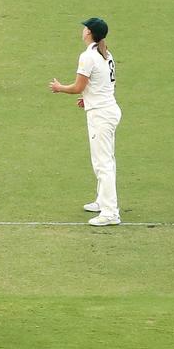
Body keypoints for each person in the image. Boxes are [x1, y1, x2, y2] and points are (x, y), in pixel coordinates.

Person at [49, 17, 121, 226]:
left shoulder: (88, 56)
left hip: (101, 114)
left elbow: (78, 86)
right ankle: (102, 201)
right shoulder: (106, 54)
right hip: (107, 109)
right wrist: (88, 98)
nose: (83, 31)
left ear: (89, 33)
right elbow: (102, 84)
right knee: (107, 160)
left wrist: (59, 87)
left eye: (85, 29)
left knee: (103, 164)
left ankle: (110, 212)